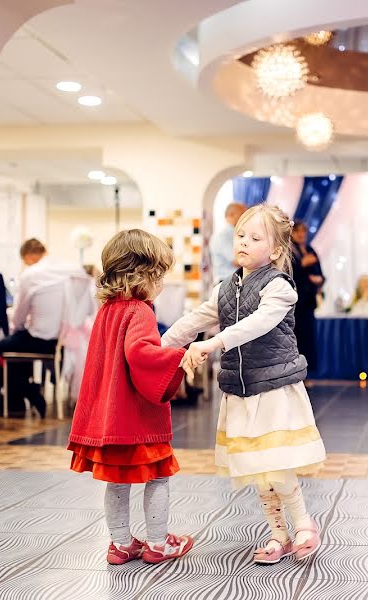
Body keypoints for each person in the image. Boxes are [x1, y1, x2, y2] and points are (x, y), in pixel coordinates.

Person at [163, 204, 326, 565]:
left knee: (275, 462)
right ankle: (277, 532)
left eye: (255, 238)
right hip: (240, 390)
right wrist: (159, 347)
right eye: (240, 236)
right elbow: (194, 320)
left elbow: (257, 323)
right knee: (257, 468)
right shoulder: (226, 288)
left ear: (277, 250)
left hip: (273, 388)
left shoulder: (281, 287)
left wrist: (212, 343)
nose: (244, 243)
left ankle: (303, 524)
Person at [67, 229, 194, 566]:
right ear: (143, 274)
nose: (162, 284)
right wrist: (179, 355)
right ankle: (158, 543)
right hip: (136, 418)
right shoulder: (140, 311)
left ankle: (121, 543)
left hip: (109, 418)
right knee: (158, 476)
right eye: (160, 275)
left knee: (117, 481)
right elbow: (141, 354)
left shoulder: (107, 311)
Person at [0, 239, 89, 418]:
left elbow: (19, 318)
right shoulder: (74, 270)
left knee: (1, 348)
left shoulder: (31, 274)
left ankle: (28, 394)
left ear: (29, 257)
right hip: (69, 340)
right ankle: (23, 397)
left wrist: (19, 325)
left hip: (41, 339)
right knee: (19, 344)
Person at [290, 221, 324, 376]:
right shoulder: (289, 250)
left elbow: (320, 272)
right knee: (297, 337)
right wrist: (302, 264)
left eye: (303, 232)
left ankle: (307, 373)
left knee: (309, 339)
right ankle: (295, 373)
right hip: (296, 303)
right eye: (298, 232)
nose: (301, 235)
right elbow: (288, 273)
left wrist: (319, 279)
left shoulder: (310, 249)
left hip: (309, 302)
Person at [211, 202, 247, 282]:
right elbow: (237, 261)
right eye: (242, 214)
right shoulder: (223, 236)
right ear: (231, 215)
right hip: (226, 282)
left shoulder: (235, 233)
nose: (245, 218)